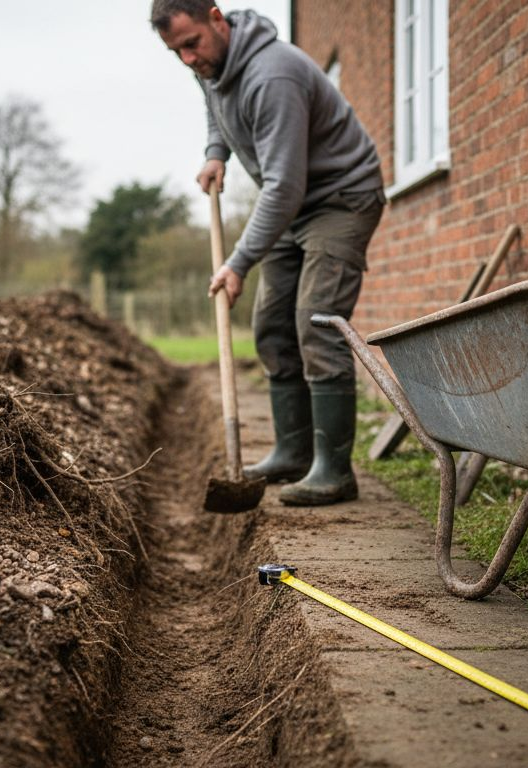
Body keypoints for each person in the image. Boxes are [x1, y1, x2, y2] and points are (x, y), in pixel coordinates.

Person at [151, 0, 386, 506]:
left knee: (316, 322)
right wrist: (216, 152)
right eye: (176, 53)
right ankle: (293, 451)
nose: (189, 60)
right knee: (272, 324)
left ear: (217, 17)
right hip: (294, 200)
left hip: (341, 197)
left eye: (191, 44)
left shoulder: (272, 75)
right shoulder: (210, 64)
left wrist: (237, 261)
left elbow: (283, 186)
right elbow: (214, 103)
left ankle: (334, 471)